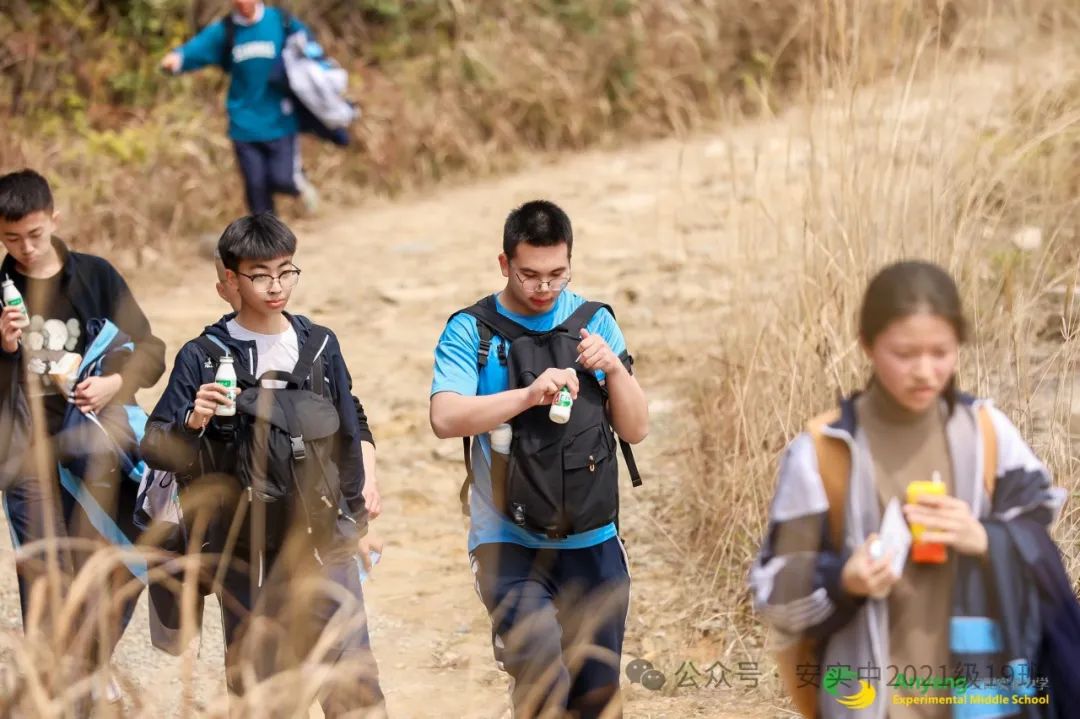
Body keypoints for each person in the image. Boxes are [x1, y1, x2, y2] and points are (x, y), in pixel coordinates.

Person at [749, 260, 1071, 719]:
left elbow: (1040, 526)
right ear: (867, 345)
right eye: (905, 353)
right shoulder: (822, 453)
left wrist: (984, 537)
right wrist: (844, 580)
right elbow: (771, 591)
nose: (924, 371)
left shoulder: (986, 434)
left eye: (941, 352)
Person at [141, 213, 383, 715]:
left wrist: (356, 520)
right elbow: (155, 447)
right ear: (229, 279)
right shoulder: (203, 357)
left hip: (324, 548)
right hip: (244, 557)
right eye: (260, 274)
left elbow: (349, 428)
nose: (276, 286)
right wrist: (192, 419)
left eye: (286, 271)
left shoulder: (319, 346)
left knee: (353, 691)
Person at [429, 200, 649, 717]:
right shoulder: (472, 331)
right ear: (504, 264)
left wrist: (614, 370)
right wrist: (528, 396)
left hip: (593, 540)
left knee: (595, 696)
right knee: (542, 677)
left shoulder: (594, 323)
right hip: (506, 540)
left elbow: (636, 428)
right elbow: (445, 417)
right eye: (529, 275)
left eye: (557, 274)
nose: (543, 287)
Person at [0, 168, 166, 694]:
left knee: (115, 556)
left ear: (54, 218)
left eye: (34, 234)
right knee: (44, 575)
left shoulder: (95, 277)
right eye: (10, 239)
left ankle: (92, 664)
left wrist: (114, 382)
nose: (25, 248)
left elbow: (152, 351)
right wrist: (4, 349)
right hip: (25, 454)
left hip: (98, 447)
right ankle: (55, 690)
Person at [161, 0, 319, 216]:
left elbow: (309, 47)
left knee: (283, 179)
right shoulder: (226, 30)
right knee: (256, 189)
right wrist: (177, 58)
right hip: (243, 123)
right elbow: (197, 48)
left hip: (280, 119)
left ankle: (298, 181)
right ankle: (266, 245)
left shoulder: (280, 21)